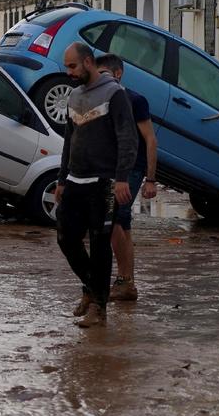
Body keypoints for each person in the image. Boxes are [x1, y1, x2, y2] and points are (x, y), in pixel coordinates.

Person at [54, 43, 138, 328]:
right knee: (66, 238)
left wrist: (122, 178)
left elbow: (128, 138)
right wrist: (62, 179)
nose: (69, 72)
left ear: (88, 62)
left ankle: (99, 308)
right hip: (75, 181)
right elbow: (69, 141)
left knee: (101, 244)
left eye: (73, 66)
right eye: (67, 67)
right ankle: (91, 288)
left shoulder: (115, 94)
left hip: (105, 183)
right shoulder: (74, 96)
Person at [96, 54, 158, 303]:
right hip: (111, 169)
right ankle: (127, 282)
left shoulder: (134, 100)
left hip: (131, 169)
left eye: (103, 74)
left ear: (118, 74)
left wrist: (150, 179)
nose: (98, 79)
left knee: (115, 222)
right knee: (122, 224)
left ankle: (124, 281)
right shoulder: (100, 100)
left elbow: (151, 140)